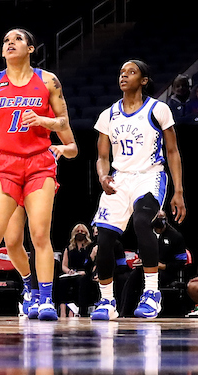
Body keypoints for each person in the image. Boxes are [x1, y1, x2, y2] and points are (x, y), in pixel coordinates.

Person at [0, 28, 77, 322]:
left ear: (31, 48)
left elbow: (64, 121)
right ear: (2, 52)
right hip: (6, 165)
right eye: (5, 41)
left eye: (18, 39)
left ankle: (46, 298)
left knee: (39, 234)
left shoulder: (48, 80)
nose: (10, 43)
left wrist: (44, 120)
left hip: (39, 163)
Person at [90, 59, 186, 321]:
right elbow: (102, 156)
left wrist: (178, 191)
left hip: (150, 175)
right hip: (119, 178)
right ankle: (107, 300)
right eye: (121, 72)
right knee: (105, 239)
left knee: (144, 222)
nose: (124, 75)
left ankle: (152, 294)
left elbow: (173, 151)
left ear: (143, 80)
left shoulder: (158, 109)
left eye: (131, 72)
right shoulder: (108, 114)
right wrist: (102, 176)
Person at [118, 210, 188, 316]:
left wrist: (163, 266)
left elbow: (181, 262)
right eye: (156, 217)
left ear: (166, 220)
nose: (159, 220)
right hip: (147, 269)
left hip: (167, 272)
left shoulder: (175, 236)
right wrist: (140, 260)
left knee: (144, 278)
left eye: (161, 217)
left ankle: (150, 306)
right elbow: (141, 253)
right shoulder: (146, 235)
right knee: (132, 277)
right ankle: (125, 312)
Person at [57, 223, 94, 317]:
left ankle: (76, 310)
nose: (80, 233)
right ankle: (63, 311)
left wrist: (86, 272)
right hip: (72, 273)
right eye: (78, 231)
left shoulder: (91, 247)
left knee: (81, 281)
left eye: (82, 231)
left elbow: (93, 263)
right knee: (62, 281)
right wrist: (68, 271)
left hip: (86, 273)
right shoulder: (69, 248)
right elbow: (64, 265)